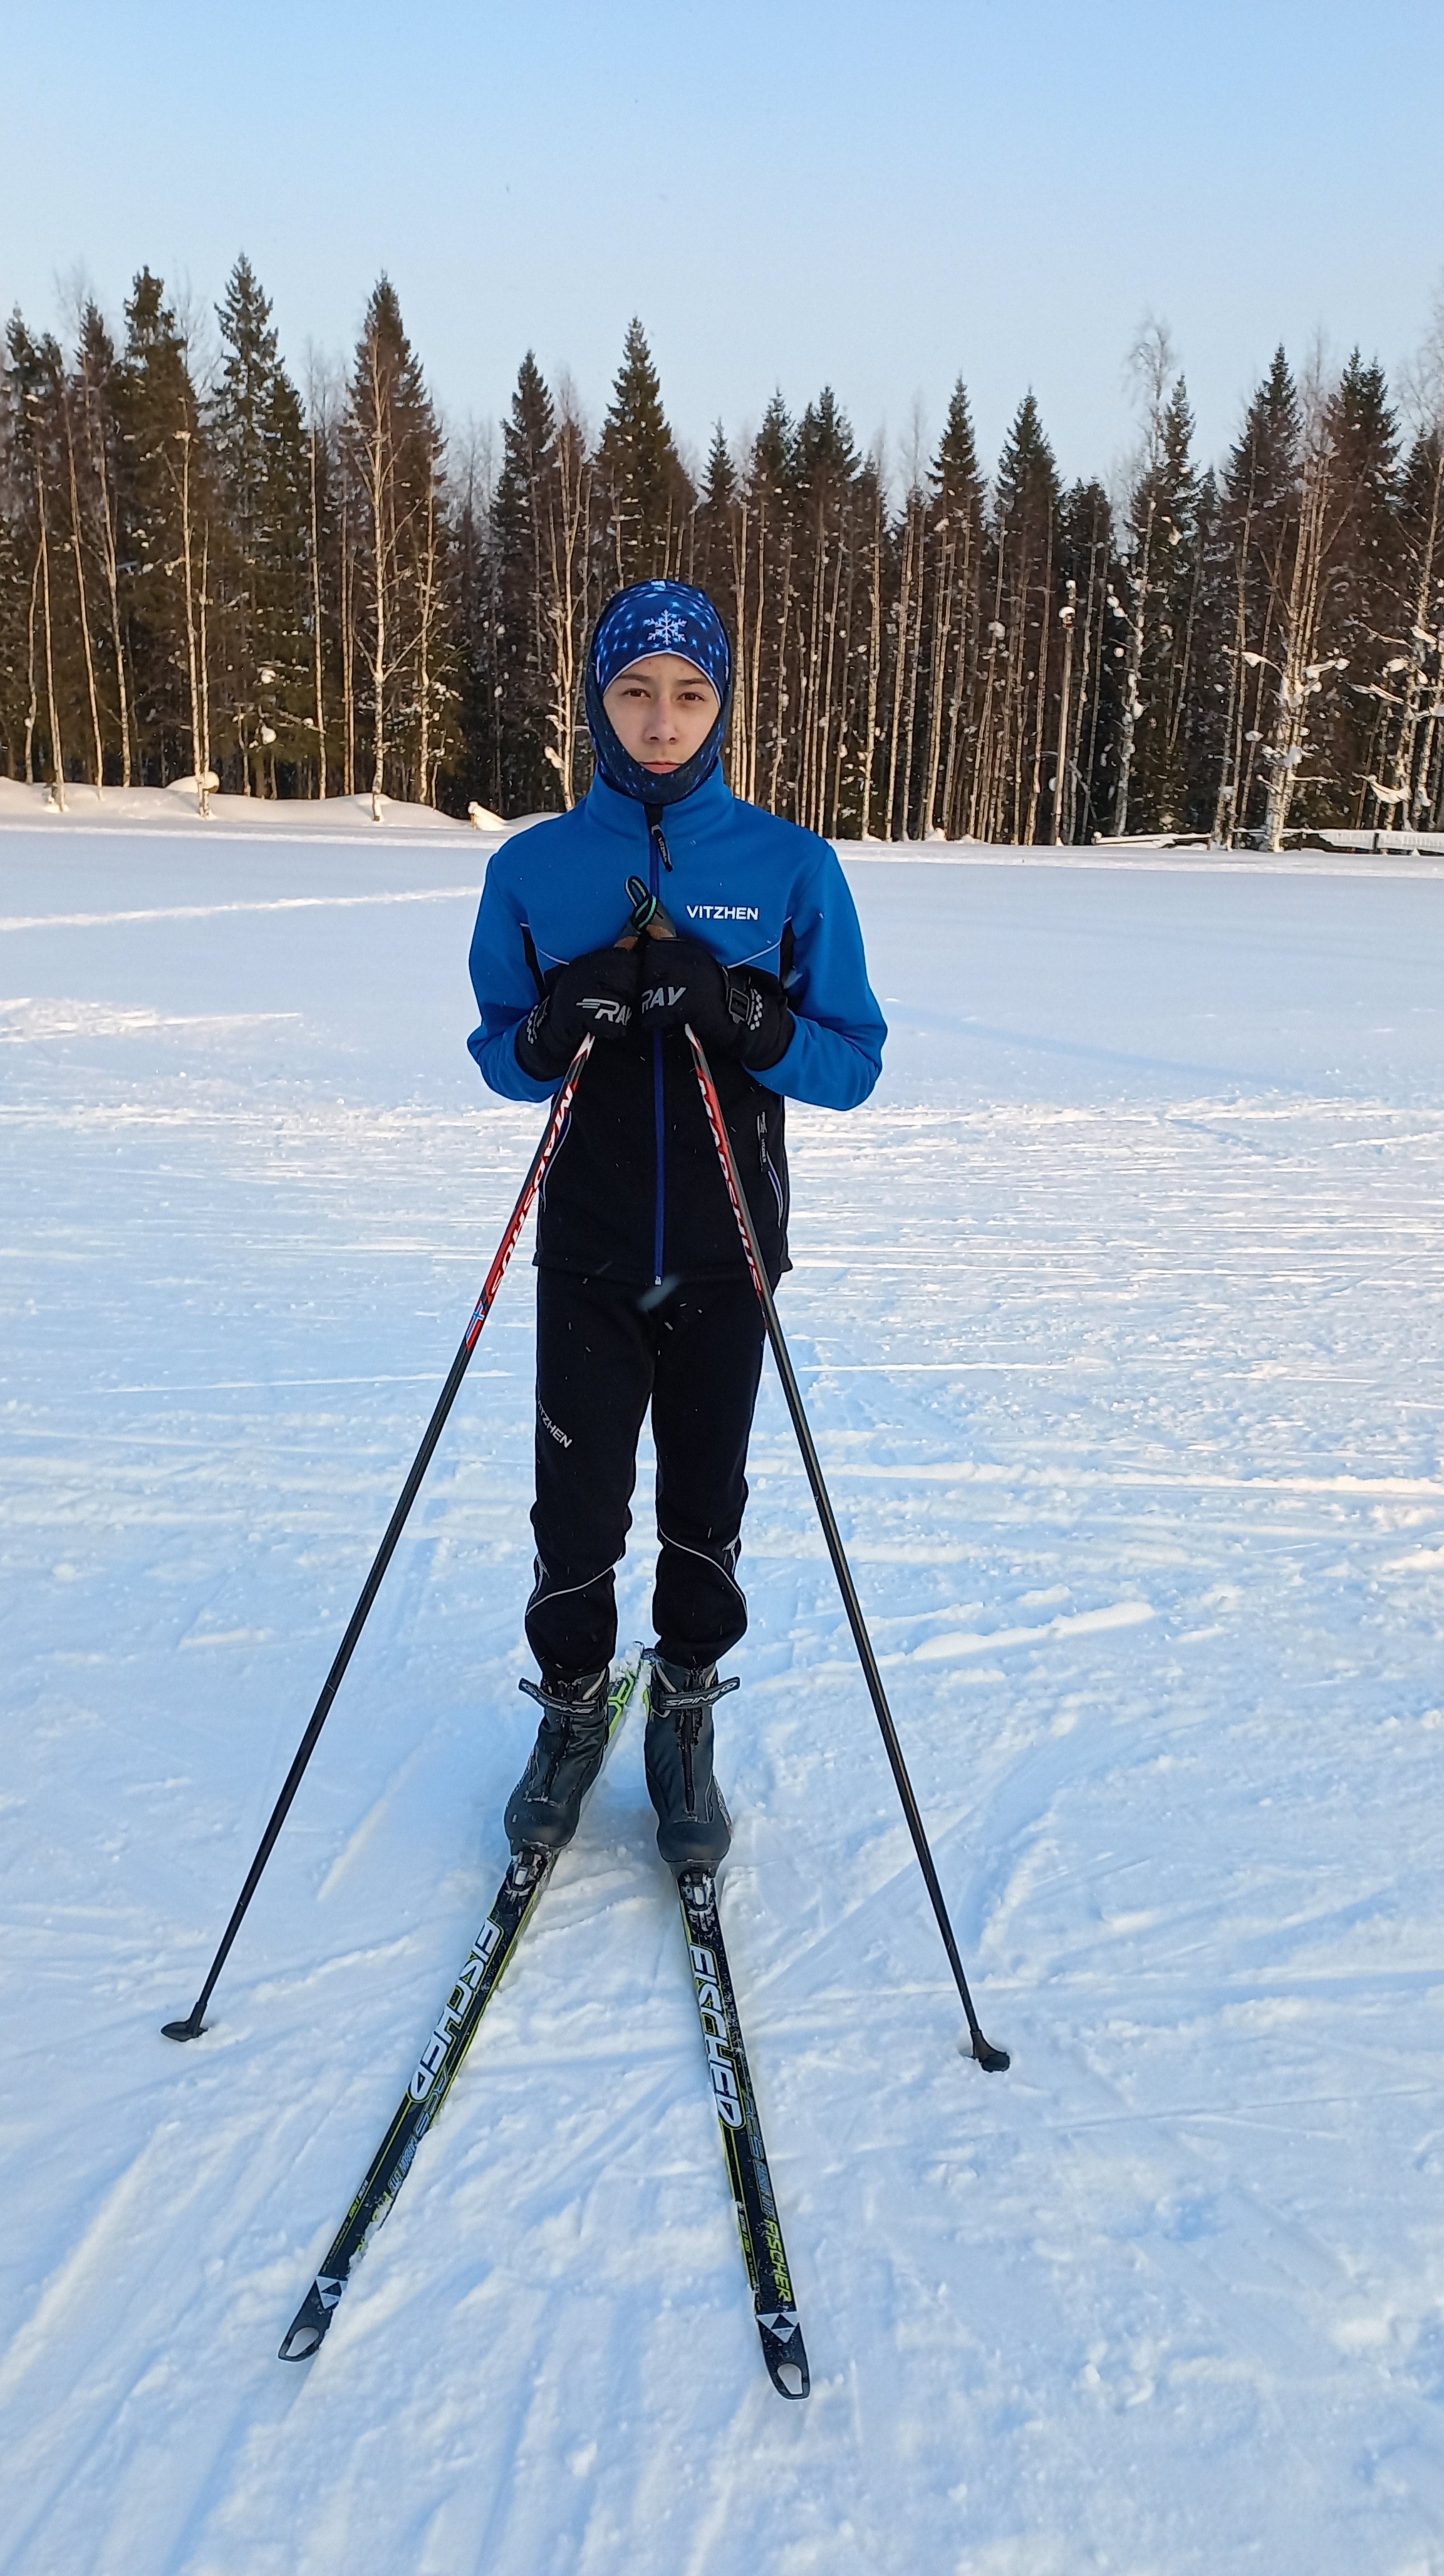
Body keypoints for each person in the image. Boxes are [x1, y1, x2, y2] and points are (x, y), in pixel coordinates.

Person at [466, 578, 885, 1870]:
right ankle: (576, 1708)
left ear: (723, 705)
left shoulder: (788, 866)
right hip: (586, 1247)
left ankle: (686, 1710)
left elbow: (852, 1059)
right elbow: (500, 1047)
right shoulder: (534, 867)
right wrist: (553, 1021)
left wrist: (746, 1017)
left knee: (708, 1504)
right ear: (598, 699)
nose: (661, 721)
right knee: (575, 1510)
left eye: (689, 694)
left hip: (726, 1251)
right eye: (635, 691)